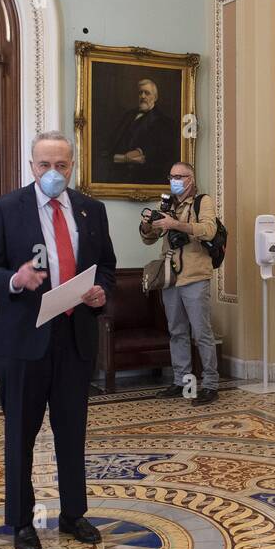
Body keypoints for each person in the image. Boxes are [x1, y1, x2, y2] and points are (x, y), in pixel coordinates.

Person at [0, 130, 117, 549]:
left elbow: (106, 266)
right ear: (31, 166)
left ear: (71, 166)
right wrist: (15, 280)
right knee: (20, 432)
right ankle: (21, 520)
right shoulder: (7, 208)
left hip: (74, 338)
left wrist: (101, 293)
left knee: (72, 431)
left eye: (62, 165)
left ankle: (74, 513)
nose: (53, 173)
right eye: (45, 165)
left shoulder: (92, 210)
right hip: (23, 341)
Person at [140, 161, 219, 405]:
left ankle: (210, 385)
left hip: (195, 275)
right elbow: (149, 239)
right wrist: (147, 224)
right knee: (176, 331)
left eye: (180, 176)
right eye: (171, 176)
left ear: (190, 179)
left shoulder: (201, 201)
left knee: (201, 332)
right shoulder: (165, 204)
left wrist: (175, 224)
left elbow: (209, 230)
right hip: (170, 277)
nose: (175, 180)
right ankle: (183, 382)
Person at [111, 78, 176, 186]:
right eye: (140, 93)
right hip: (119, 173)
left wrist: (140, 151)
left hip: (145, 175)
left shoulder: (164, 121)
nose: (143, 96)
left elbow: (162, 151)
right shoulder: (128, 115)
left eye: (147, 93)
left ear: (155, 97)